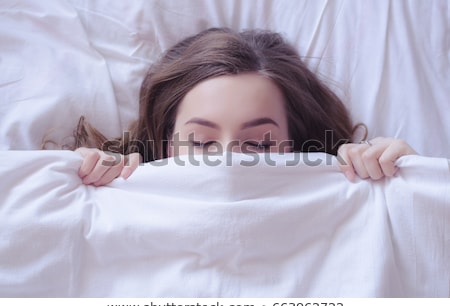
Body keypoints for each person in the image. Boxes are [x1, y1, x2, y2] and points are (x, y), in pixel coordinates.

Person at [73, 27, 416, 186]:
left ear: (295, 145)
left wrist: (408, 179)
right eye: (200, 142)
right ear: (164, 145)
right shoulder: (113, 193)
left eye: (259, 143)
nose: (227, 161)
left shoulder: (349, 195)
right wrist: (78, 178)